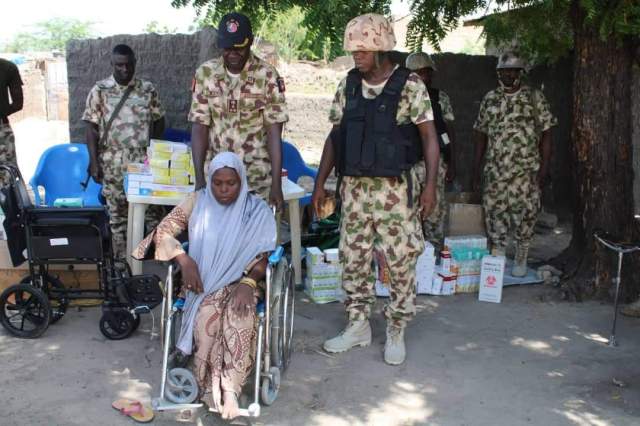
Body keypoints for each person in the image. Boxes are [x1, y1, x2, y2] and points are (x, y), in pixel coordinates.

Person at [311, 14, 440, 365]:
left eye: (363, 50)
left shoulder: (410, 85)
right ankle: (358, 324)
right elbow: (335, 137)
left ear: (382, 48)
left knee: (400, 260)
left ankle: (397, 327)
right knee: (353, 258)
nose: (356, 55)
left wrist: (430, 186)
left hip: (395, 192)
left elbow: (429, 138)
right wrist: (320, 183)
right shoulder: (349, 85)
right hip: (354, 190)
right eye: (353, 50)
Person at [133, 152, 276, 419]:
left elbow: (264, 255)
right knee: (207, 315)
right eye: (217, 183)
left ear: (241, 181)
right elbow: (163, 230)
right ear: (210, 181)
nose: (223, 189)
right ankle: (209, 385)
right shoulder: (197, 201)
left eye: (231, 183)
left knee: (239, 315)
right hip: (202, 283)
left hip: (243, 281)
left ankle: (230, 390)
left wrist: (248, 282)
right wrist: (184, 260)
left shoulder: (256, 210)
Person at [189, 12, 289, 209]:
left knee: (256, 229)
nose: (233, 53)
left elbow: (274, 133)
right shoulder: (205, 74)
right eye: (227, 48)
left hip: (256, 180)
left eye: (239, 47)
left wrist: (276, 185)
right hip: (217, 182)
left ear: (250, 42)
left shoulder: (267, 76)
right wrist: (200, 179)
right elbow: (199, 128)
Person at [472, 52, 557, 276]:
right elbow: (481, 134)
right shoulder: (490, 98)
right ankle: (498, 254)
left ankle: (521, 254)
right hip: (495, 171)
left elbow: (547, 135)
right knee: (494, 213)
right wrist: (476, 168)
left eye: (512, 71)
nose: (507, 75)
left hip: (526, 172)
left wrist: (544, 168)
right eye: (503, 71)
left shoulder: (534, 98)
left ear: (520, 73)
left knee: (527, 214)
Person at [83, 44, 166, 259]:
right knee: (118, 217)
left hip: (143, 162)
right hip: (112, 161)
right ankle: (122, 263)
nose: (125, 69)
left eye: (129, 65)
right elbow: (91, 129)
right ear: (112, 64)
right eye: (119, 65)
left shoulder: (147, 89)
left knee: (153, 213)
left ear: (135, 63)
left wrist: (152, 150)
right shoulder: (100, 90)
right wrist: (94, 163)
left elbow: (159, 120)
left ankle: (155, 262)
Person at [406, 52, 457, 252]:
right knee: (408, 212)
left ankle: (433, 256)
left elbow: (449, 131)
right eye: (419, 73)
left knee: (434, 213)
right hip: (408, 165)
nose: (424, 77)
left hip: (435, 165)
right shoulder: (400, 97)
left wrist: (452, 162)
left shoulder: (439, 97)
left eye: (426, 73)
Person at [0, 58, 24, 188]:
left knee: (8, 177)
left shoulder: (7, 67)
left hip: (2, 133)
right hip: (2, 130)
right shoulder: (7, 67)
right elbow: (18, 104)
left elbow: (18, 104)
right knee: (8, 179)